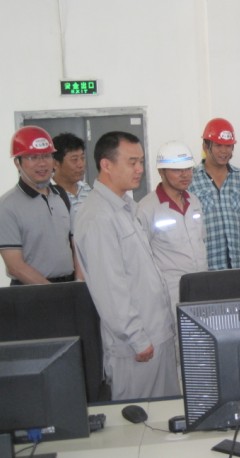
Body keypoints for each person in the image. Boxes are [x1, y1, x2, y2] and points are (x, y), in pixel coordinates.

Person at [74, 131, 180, 400]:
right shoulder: (98, 216)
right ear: (106, 165)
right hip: (136, 348)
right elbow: (111, 289)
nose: (140, 169)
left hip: (157, 335)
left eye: (141, 161)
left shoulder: (125, 208)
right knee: (141, 420)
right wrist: (137, 338)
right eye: (132, 162)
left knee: (166, 415)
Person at [0, 126, 76, 285]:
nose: (42, 163)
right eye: (33, 157)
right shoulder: (7, 206)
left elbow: (74, 245)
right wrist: (52, 292)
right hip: (31, 291)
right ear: (17, 163)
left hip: (68, 286)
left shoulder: (61, 195)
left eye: (47, 156)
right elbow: (15, 266)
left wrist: (79, 282)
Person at [137, 141, 207, 311]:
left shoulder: (194, 201)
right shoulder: (147, 208)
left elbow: (201, 240)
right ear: (161, 172)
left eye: (188, 169)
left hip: (201, 287)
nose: (185, 175)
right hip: (169, 294)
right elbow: (140, 258)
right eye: (177, 170)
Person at [189, 118, 240, 270]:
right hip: (207, 267)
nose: (224, 151)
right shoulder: (191, 179)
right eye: (218, 145)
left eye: (228, 146)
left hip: (238, 265)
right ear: (205, 146)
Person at [52, 132, 92, 214]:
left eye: (82, 158)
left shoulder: (87, 189)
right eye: (74, 159)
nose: (81, 165)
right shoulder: (49, 194)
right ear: (56, 163)